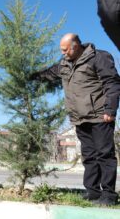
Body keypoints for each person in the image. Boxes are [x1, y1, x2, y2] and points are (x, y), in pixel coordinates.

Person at [29, 33, 120, 206]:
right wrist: (31, 76)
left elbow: (113, 83)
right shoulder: (64, 64)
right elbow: (49, 73)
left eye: (65, 50)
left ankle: (109, 195)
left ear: (75, 46)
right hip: (79, 118)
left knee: (105, 155)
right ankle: (93, 192)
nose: (63, 53)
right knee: (89, 156)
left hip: (100, 116)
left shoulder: (98, 57)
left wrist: (110, 108)